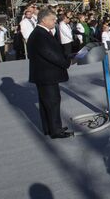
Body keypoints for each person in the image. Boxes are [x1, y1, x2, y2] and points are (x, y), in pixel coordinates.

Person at [27, 8, 73, 139]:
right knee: (52, 102)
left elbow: (53, 50)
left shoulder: (40, 33)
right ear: (44, 20)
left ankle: (50, 127)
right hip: (46, 75)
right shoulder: (40, 34)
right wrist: (66, 62)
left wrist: (67, 56)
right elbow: (50, 54)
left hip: (44, 74)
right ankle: (56, 131)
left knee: (46, 102)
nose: (55, 21)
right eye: (52, 19)